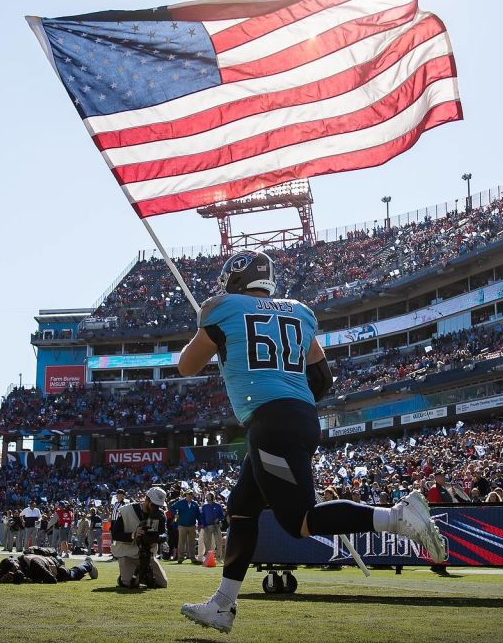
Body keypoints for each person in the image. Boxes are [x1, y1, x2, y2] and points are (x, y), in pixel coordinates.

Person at [179, 251, 446, 633]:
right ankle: (222, 604)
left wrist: (215, 340)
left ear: (235, 281)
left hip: (270, 421)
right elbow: (321, 378)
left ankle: (395, 517)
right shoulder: (298, 312)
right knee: (242, 506)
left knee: (299, 521)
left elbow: (187, 366)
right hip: (299, 416)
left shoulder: (221, 308)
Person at [111, 487, 169, 589]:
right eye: (154, 505)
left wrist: (155, 538)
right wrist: (133, 535)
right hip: (128, 554)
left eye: (159, 506)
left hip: (148, 555)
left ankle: (141, 576)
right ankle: (127, 576)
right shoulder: (126, 511)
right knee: (129, 583)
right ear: (147, 499)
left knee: (162, 583)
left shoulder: (159, 515)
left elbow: (164, 535)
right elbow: (115, 534)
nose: (156, 508)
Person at [0, 547, 98, 584]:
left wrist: (28, 580)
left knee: (71, 574)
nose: (15, 571)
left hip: (55, 563)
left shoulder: (34, 563)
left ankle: (88, 563)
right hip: (45, 562)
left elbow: (52, 580)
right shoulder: (10, 566)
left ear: (16, 565)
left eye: (14, 569)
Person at [171, 490, 201, 564]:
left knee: (192, 543)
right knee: (181, 542)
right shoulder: (180, 502)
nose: (190, 496)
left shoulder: (195, 504)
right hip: (182, 525)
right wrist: (175, 514)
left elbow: (198, 515)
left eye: (191, 494)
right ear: (186, 495)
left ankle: (193, 558)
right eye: (189, 494)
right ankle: (180, 558)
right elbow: (172, 507)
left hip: (192, 525)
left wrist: (200, 524)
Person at [198, 492, 225, 564]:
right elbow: (202, 517)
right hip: (207, 526)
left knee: (218, 542)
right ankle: (208, 558)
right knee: (207, 543)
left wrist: (218, 519)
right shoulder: (204, 506)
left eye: (208, 496)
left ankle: (219, 558)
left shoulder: (218, 505)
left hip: (216, 526)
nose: (207, 497)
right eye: (206, 496)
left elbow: (222, 516)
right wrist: (204, 526)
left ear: (212, 497)